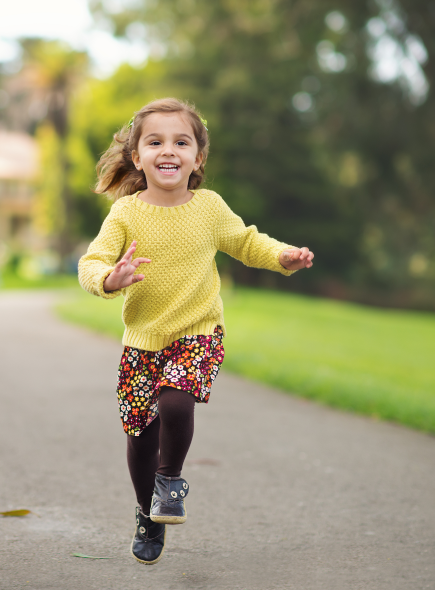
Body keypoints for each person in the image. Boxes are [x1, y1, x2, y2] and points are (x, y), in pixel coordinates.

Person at [77, 97, 314, 565]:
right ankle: (147, 515)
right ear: (137, 155)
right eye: (156, 141)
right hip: (142, 340)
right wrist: (109, 279)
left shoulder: (209, 208)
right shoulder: (125, 214)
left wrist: (283, 256)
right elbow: (92, 261)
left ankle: (170, 481)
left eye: (181, 142)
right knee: (140, 434)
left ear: (197, 157)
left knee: (175, 398)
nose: (169, 150)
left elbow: (247, 242)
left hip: (198, 331)